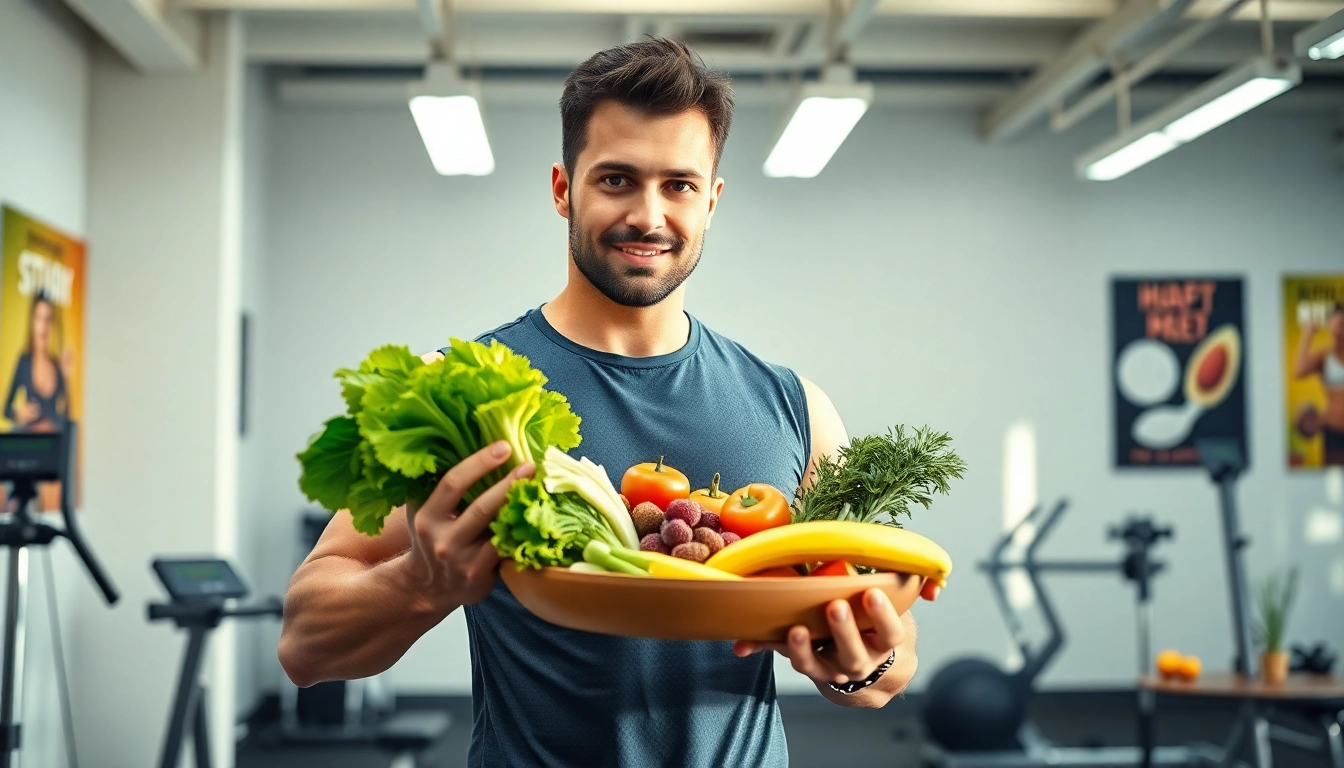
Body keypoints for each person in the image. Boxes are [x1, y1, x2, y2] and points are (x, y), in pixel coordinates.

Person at [279, 38, 934, 767]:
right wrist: (420, 583)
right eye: (617, 179)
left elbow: (887, 672)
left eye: (679, 185)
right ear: (564, 189)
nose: (649, 215)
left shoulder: (793, 405)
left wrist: (861, 664)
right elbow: (305, 646)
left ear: (712, 200)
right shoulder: (465, 393)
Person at [4, 291, 69, 434]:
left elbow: (67, 416)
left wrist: (67, 377)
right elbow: (6, 410)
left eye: (48, 319)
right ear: (32, 322)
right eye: (39, 318)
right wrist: (17, 414)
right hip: (31, 445)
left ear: (53, 325)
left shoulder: (57, 366)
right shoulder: (24, 362)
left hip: (52, 445)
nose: (43, 327)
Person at [1295, 302, 1344, 465]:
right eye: (1336, 325)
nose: (1339, 331)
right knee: (1334, 481)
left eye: (1342, 325)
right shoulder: (1325, 358)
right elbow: (1299, 370)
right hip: (1332, 431)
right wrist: (1308, 334)